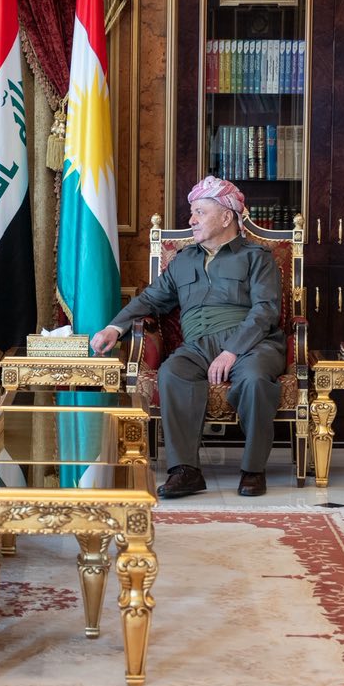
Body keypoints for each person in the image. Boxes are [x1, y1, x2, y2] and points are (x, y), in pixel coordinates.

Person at [90, 176, 286, 499]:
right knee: (172, 372)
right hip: (197, 345)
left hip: (252, 344)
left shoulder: (257, 257)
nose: (191, 220)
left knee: (253, 379)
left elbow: (266, 311)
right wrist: (115, 327)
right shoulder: (183, 259)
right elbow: (150, 299)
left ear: (226, 217)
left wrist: (231, 351)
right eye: (192, 212)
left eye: (200, 212)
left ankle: (253, 470)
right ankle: (185, 471)